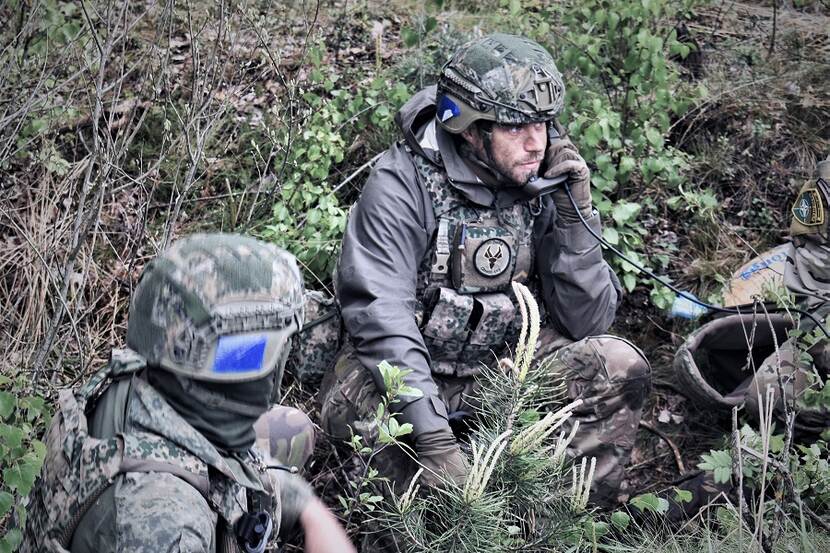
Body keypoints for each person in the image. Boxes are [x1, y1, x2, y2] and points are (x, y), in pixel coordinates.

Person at [319, 33, 650, 506]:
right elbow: (381, 318)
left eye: (543, 124)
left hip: (499, 369)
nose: (537, 143)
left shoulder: (540, 180)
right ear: (470, 128)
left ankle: (565, 522)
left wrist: (576, 214)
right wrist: (432, 437)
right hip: (400, 374)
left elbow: (588, 323)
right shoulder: (400, 185)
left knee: (616, 366)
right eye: (516, 128)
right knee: (387, 439)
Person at [21, 234, 356, 553]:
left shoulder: (140, 378)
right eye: (258, 351)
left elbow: (221, 463)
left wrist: (309, 509)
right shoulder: (167, 527)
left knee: (292, 427)